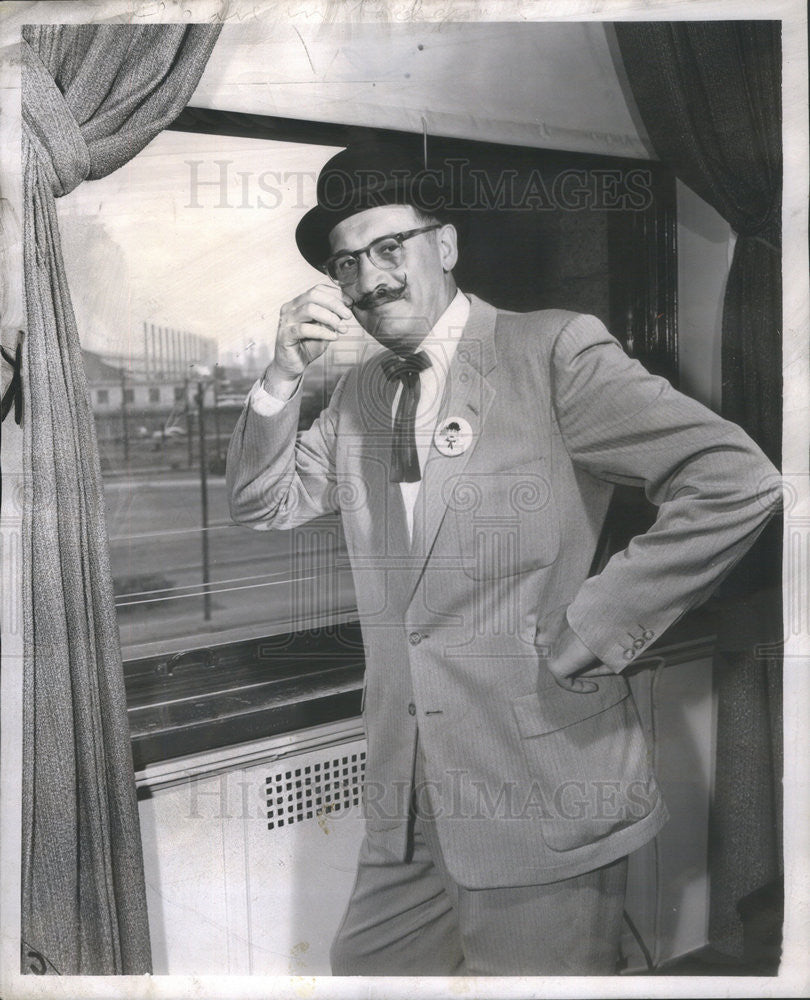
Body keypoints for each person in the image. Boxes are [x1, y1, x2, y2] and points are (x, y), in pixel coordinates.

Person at [226, 139, 781, 975]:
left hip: (540, 780)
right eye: (347, 265)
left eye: (389, 248)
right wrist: (278, 379)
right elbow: (264, 503)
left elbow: (736, 480)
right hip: (408, 800)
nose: (369, 279)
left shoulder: (551, 351)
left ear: (444, 245)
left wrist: (593, 625)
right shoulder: (359, 394)